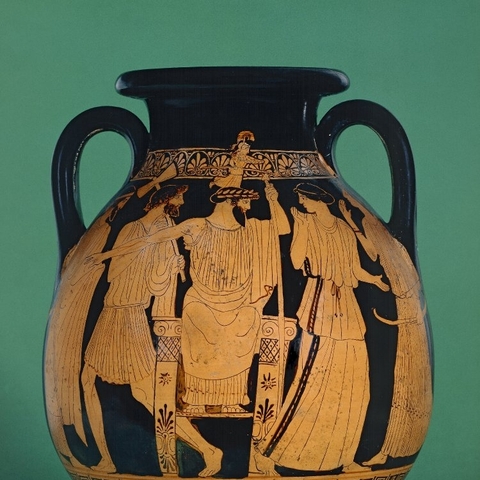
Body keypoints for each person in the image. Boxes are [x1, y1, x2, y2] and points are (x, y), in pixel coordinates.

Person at [92, 180, 290, 475]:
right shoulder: (196, 225)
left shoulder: (249, 230)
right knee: (196, 315)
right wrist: (107, 255)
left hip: (237, 302)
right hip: (201, 301)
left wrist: (274, 200)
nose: (249, 206)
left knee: (249, 319)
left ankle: (233, 398)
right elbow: (152, 239)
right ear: (232, 202)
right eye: (246, 201)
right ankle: (197, 395)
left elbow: (282, 229)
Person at [257, 183, 389, 475]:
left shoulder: (343, 228)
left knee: (355, 381)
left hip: (347, 307)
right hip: (320, 305)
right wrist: (301, 230)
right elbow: (296, 261)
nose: (301, 202)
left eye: (304, 198)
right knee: (313, 380)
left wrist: (375, 280)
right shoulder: (305, 222)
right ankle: (274, 453)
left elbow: (353, 269)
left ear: (316, 199)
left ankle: (344, 456)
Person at [81, 184, 187, 473]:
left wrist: (168, 266)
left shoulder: (163, 237)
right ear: (165, 200)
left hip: (131, 315)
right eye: (178, 198)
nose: (180, 203)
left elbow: (155, 287)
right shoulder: (132, 230)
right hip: (113, 312)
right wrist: (144, 252)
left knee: (143, 392)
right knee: (87, 379)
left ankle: (207, 449)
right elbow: (114, 273)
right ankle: (105, 458)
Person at [339, 192, 432, 466]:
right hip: (405, 316)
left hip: (410, 317)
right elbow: (370, 252)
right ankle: (388, 449)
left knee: (407, 383)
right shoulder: (383, 245)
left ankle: (395, 449)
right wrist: (351, 220)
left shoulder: (395, 248)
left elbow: (404, 280)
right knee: (400, 382)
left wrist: (352, 210)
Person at [44, 189, 134, 469]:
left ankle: (105, 457)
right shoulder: (115, 226)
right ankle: (97, 453)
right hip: (92, 302)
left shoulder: (121, 228)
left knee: (89, 378)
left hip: (114, 311)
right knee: (82, 377)